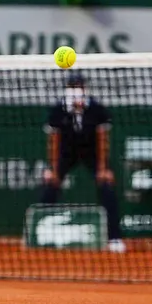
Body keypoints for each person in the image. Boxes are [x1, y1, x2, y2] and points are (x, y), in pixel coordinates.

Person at [40, 72, 126, 254]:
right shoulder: (58, 110)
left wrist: (103, 169)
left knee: (106, 187)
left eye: (79, 87)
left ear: (85, 89)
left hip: (91, 153)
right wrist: (53, 169)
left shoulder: (96, 109)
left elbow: (103, 139)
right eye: (72, 87)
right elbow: (53, 140)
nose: (76, 91)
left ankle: (114, 237)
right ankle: (41, 234)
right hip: (66, 153)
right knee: (50, 186)